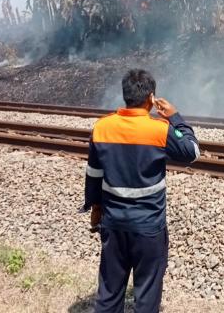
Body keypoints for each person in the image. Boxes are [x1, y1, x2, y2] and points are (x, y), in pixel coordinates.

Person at [84, 69, 200, 313]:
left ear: (125, 95)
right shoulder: (160, 129)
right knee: (147, 297)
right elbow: (192, 152)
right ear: (151, 98)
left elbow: (93, 174)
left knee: (108, 294)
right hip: (148, 228)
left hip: (113, 225)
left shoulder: (102, 127)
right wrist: (176, 117)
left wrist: (95, 208)